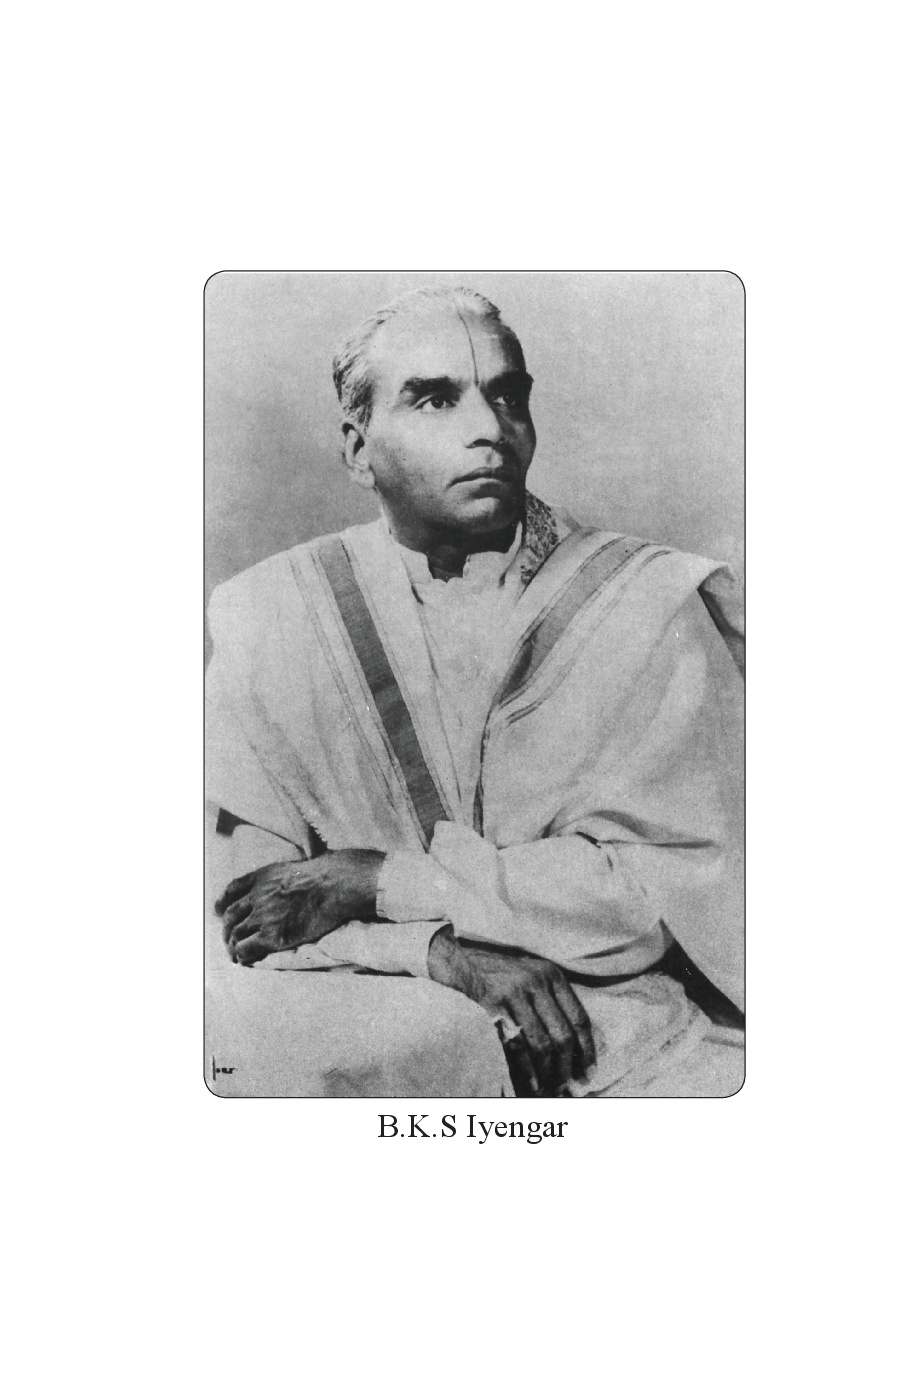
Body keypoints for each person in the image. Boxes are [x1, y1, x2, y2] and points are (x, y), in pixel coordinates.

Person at [206, 286, 744, 1098]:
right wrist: (438, 952)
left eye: (507, 395)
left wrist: (379, 880)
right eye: (434, 398)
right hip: (387, 1042)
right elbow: (248, 912)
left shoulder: (643, 601)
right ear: (357, 448)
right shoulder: (272, 613)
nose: (490, 428)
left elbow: (656, 891)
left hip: (637, 1048)